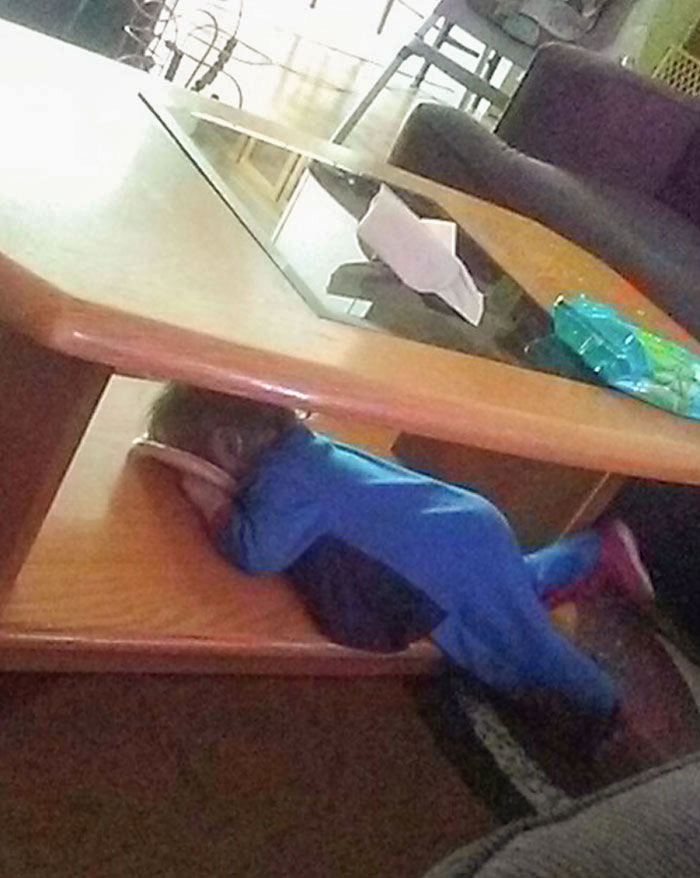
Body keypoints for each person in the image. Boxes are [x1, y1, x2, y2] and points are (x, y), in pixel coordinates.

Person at [145, 383, 654, 719]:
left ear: (229, 447)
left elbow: (257, 553)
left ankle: (605, 704)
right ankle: (594, 552)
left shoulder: (282, 482)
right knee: (509, 588)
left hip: (443, 567)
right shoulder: (306, 451)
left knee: (521, 645)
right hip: (465, 530)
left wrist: (211, 503)